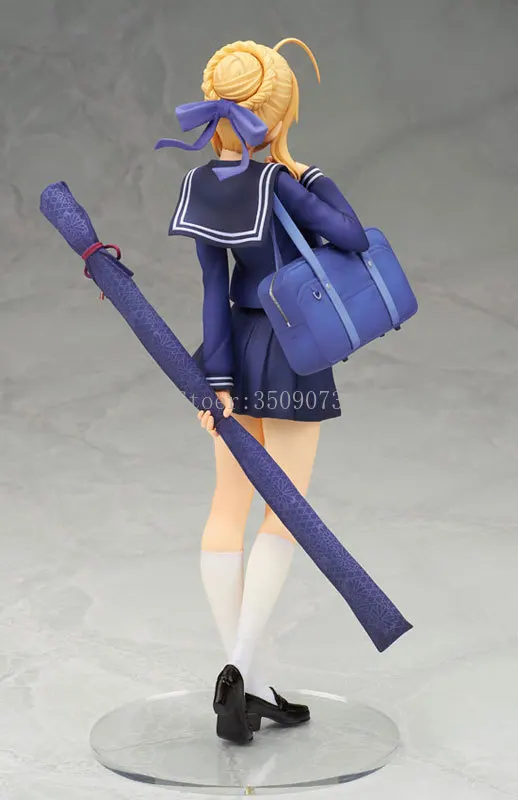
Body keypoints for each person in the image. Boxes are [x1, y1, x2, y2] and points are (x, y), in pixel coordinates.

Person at [156, 37, 369, 744]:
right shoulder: (285, 183)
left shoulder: (205, 184)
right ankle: (240, 668)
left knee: (227, 507)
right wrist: (312, 175)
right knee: (287, 511)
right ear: (277, 115)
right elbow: (352, 236)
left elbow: (212, 290)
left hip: (234, 353)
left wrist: (215, 382)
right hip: (293, 348)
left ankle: (243, 683)